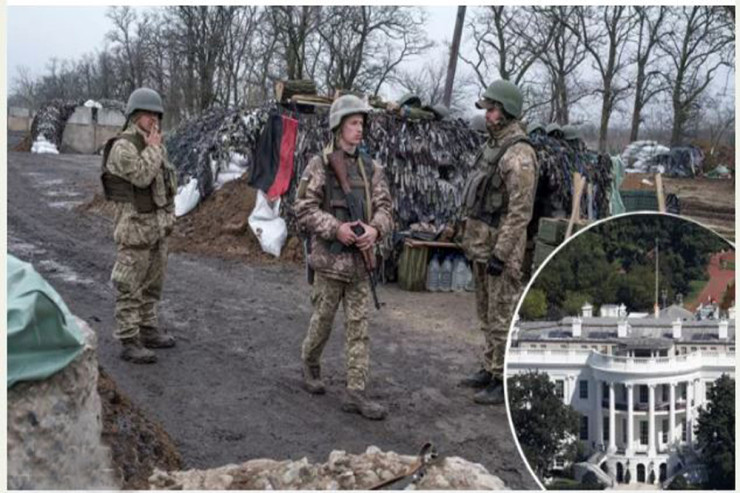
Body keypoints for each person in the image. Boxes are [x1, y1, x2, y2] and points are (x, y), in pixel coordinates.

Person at [294, 95, 393, 420]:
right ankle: (310, 363)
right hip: (330, 263)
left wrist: (374, 230)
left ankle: (356, 391)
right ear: (338, 126)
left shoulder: (372, 169)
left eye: (362, 123)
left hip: (360, 264)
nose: (359, 129)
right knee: (322, 322)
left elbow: (386, 209)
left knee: (359, 328)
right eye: (353, 123)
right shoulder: (320, 165)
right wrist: (336, 229)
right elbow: (304, 209)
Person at [459, 80, 539, 405]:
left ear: (506, 112)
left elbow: (520, 213)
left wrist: (501, 253)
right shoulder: (493, 147)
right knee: (486, 313)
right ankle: (489, 367)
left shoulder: (519, 154)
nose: (487, 115)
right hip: (482, 244)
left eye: (491, 109)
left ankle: (502, 378)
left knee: (502, 314)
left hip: (500, 250)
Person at [102, 87, 177, 364]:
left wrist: (169, 218)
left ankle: (147, 329)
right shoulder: (123, 147)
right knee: (129, 286)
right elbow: (143, 176)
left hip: (156, 229)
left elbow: (167, 185)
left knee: (152, 285)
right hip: (134, 230)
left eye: (156, 115)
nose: (152, 120)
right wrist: (155, 148)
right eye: (147, 115)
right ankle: (128, 338)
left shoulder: (155, 145)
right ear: (134, 116)